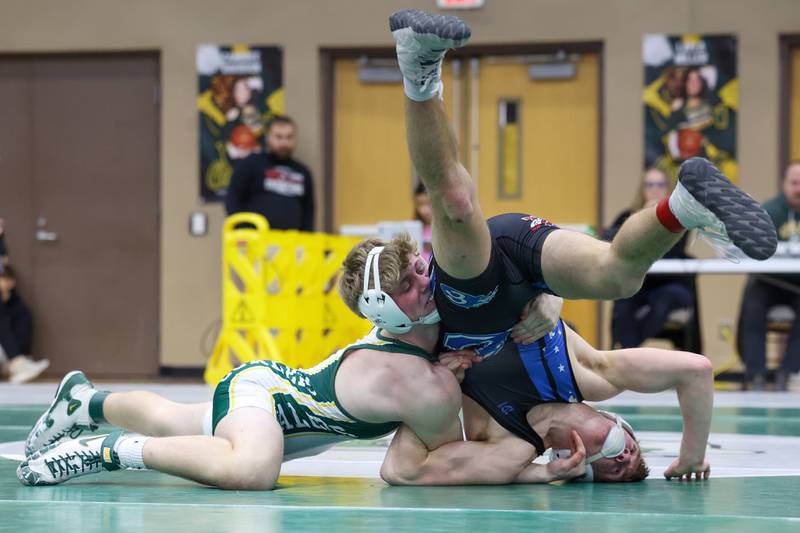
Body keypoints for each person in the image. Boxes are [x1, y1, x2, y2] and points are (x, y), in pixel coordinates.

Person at [370, 8, 778, 482]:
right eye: (627, 456)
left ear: (579, 461)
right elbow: (697, 371)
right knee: (618, 275)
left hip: (467, 290)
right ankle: (683, 207)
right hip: (526, 266)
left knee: (454, 201)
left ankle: (417, 69)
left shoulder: (510, 444)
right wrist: (691, 456)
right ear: (619, 420)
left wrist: (534, 473)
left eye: (611, 465)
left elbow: (401, 472)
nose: (622, 459)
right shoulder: (589, 375)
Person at [606, 167, 698, 350]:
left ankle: (628, 354)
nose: (654, 189)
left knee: (662, 301)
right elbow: (611, 241)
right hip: (636, 285)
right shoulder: (628, 215)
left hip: (669, 285)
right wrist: (643, 218)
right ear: (642, 189)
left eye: (660, 184)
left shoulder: (679, 218)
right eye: (649, 184)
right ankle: (629, 361)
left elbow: (667, 252)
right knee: (623, 304)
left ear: (668, 189)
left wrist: (656, 218)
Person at [737, 161, 800, 391]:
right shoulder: (769, 211)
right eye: (794, 183)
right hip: (769, 280)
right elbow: (751, 249)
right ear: (784, 184)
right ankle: (756, 375)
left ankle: (788, 372)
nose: (798, 188)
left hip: (798, 286)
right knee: (753, 299)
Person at [225, 115, 315, 231]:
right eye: (279, 137)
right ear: (268, 137)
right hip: (255, 241)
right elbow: (233, 200)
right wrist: (245, 229)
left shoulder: (303, 172)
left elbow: (308, 212)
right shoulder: (251, 164)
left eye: (289, 137)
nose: (284, 143)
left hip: (292, 244)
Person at [0, 220, 49, 383]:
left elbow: (3, 261)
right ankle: (16, 363)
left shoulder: (15, 303)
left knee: (21, 313)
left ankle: (18, 362)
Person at [413, 182, 433, 258]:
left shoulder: (443, 229)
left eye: (428, 204)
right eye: (420, 204)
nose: (424, 210)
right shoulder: (412, 227)